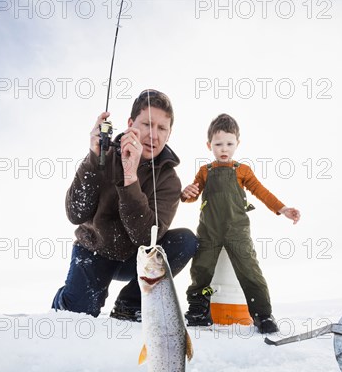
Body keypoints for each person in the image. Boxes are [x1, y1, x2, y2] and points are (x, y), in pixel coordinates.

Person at [52, 90, 198, 321]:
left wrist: (130, 178)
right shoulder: (104, 154)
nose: (153, 135)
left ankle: (129, 304)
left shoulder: (169, 180)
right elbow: (75, 213)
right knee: (76, 315)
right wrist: (92, 157)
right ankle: (67, 297)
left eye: (162, 128)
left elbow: (145, 238)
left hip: (135, 258)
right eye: (147, 124)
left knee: (186, 240)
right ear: (131, 124)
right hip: (94, 249)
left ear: (169, 134)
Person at [181, 113, 301, 333]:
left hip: (237, 231)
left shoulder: (242, 170)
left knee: (250, 271)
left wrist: (282, 209)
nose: (223, 149)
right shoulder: (205, 171)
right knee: (201, 270)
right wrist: (186, 194)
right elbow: (192, 195)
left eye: (229, 143)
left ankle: (262, 315)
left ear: (237, 143)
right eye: (218, 144)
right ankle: (198, 309)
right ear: (209, 145)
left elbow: (261, 191)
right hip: (209, 231)